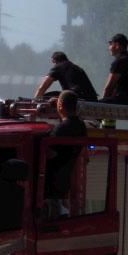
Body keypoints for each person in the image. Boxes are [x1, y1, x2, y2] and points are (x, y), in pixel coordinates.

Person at [44, 90, 86, 218]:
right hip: (64, 185)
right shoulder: (81, 126)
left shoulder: (61, 129)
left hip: (50, 187)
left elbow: (48, 152)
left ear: (60, 105)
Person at [33, 51, 98, 102]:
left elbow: (42, 87)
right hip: (92, 99)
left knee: (46, 97)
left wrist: (35, 101)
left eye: (53, 63)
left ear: (54, 61)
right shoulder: (77, 68)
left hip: (76, 98)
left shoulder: (58, 66)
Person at [101, 33, 128, 106]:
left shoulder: (120, 62)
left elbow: (109, 88)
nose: (109, 47)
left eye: (110, 44)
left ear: (117, 45)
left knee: (89, 108)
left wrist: (101, 106)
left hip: (123, 101)